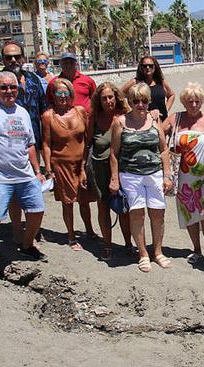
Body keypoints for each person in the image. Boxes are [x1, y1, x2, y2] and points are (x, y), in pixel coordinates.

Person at [0, 71, 47, 289]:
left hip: (24, 174)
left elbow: (30, 144)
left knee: (37, 210)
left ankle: (27, 244)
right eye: (3, 87)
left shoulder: (21, 112)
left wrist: (37, 170)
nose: (9, 91)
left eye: (12, 87)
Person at [0, 42, 47, 242]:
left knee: (29, 186)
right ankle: (16, 229)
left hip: (31, 141)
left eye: (16, 56)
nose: (13, 60)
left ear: (23, 57)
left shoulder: (33, 79)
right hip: (3, 147)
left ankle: (30, 231)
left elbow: (43, 109)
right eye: (8, 57)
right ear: (3, 59)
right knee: (12, 191)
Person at [109, 83, 173, 273]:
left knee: (157, 213)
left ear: (149, 102)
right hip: (130, 175)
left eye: (144, 101)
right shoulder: (120, 122)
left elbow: (163, 149)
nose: (140, 105)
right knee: (137, 214)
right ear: (130, 102)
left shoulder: (155, 120)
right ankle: (143, 254)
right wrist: (114, 178)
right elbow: (114, 152)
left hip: (154, 174)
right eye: (136, 101)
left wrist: (167, 174)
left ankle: (158, 252)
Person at [161, 82, 204, 272]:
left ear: (201, 101)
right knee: (190, 216)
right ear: (184, 102)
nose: (193, 105)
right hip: (184, 179)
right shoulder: (175, 119)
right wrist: (154, 115)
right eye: (189, 101)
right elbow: (157, 135)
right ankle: (197, 250)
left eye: (196, 101)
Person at [41, 77, 97, 250]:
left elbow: (88, 138)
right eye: (59, 93)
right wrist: (49, 169)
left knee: (84, 199)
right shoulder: (48, 116)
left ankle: (89, 230)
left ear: (71, 94)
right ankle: (71, 236)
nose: (62, 96)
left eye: (66, 92)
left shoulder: (80, 111)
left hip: (81, 163)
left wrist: (86, 162)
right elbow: (46, 144)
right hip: (61, 164)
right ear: (53, 95)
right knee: (68, 201)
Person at [88, 81, 132, 259]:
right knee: (103, 206)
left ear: (117, 97)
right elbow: (88, 143)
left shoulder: (125, 115)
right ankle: (107, 245)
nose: (108, 101)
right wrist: (84, 170)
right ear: (99, 100)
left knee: (123, 207)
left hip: (122, 167)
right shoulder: (95, 117)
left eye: (110, 97)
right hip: (99, 168)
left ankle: (128, 244)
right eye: (104, 98)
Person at [120, 56, 174, 121]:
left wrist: (166, 109)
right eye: (145, 66)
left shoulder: (160, 82)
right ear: (141, 68)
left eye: (150, 66)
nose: (148, 68)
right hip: (144, 121)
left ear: (155, 67)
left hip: (162, 120)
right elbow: (120, 94)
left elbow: (171, 95)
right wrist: (130, 107)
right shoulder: (136, 82)